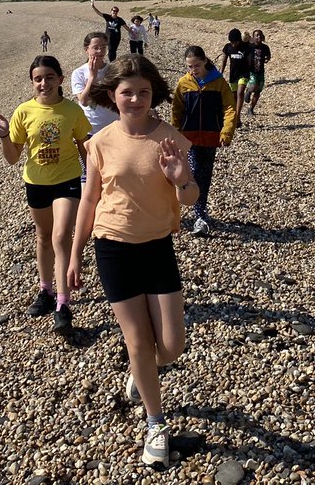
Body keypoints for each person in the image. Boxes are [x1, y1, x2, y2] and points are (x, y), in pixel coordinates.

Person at [67, 55, 197, 469]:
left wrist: (182, 179)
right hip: (113, 248)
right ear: (112, 96)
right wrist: (74, 256)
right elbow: (89, 200)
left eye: (143, 92)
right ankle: (156, 424)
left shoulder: (170, 137)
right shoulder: (100, 142)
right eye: (127, 92)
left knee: (171, 346)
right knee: (139, 341)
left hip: (158, 246)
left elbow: (190, 201)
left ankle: (141, 371)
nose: (136, 99)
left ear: (152, 93)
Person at [0, 55, 91, 334]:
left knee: (59, 236)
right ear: (32, 83)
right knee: (43, 237)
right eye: (38, 79)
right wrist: (5, 136)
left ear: (60, 79)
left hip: (67, 180)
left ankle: (63, 304)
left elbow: (85, 147)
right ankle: (46, 291)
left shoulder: (72, 111)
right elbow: (12, 158)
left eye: (49, 77)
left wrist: (94, 180)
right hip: (36, 182)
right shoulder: (23, 112)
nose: (44, 83)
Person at [171, 45, 237, 236]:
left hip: (210, 137)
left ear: (205, 61)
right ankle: (191, 212)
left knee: (203, 175)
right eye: (190, 66)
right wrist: (175, 133)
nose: (193, 70)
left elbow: (229, 109)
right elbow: (177, 111)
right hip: (188, 138)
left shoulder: (218, 83)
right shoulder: (184, 83)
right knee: (189, 173)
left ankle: (200, 215)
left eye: (197, 65)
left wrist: (226, 132)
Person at [218, 28, 253, 123]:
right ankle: (233, 114)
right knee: (234, 96)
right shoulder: (227, 47)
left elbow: (251, 60)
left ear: (239, 40)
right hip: (233, 74)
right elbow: (224, 60)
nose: (234, 44)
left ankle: (237, 116)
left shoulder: (246, 47)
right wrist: (221, 72)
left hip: (244, 74)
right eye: (232, 42)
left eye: (235, 42)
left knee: (240, 92)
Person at [242, 29, 272, 116]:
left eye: (260, 35)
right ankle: (248, 92)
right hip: (251, 71)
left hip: (261, 71)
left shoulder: (265, 47)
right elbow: (243, 53)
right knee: (254, 84)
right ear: (253, 37)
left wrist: (267, 58)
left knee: (258, 91)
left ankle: (251, 109)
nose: (258, 37)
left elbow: (268, 55)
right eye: (256, 35)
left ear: (262, 37)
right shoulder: (249, 47)